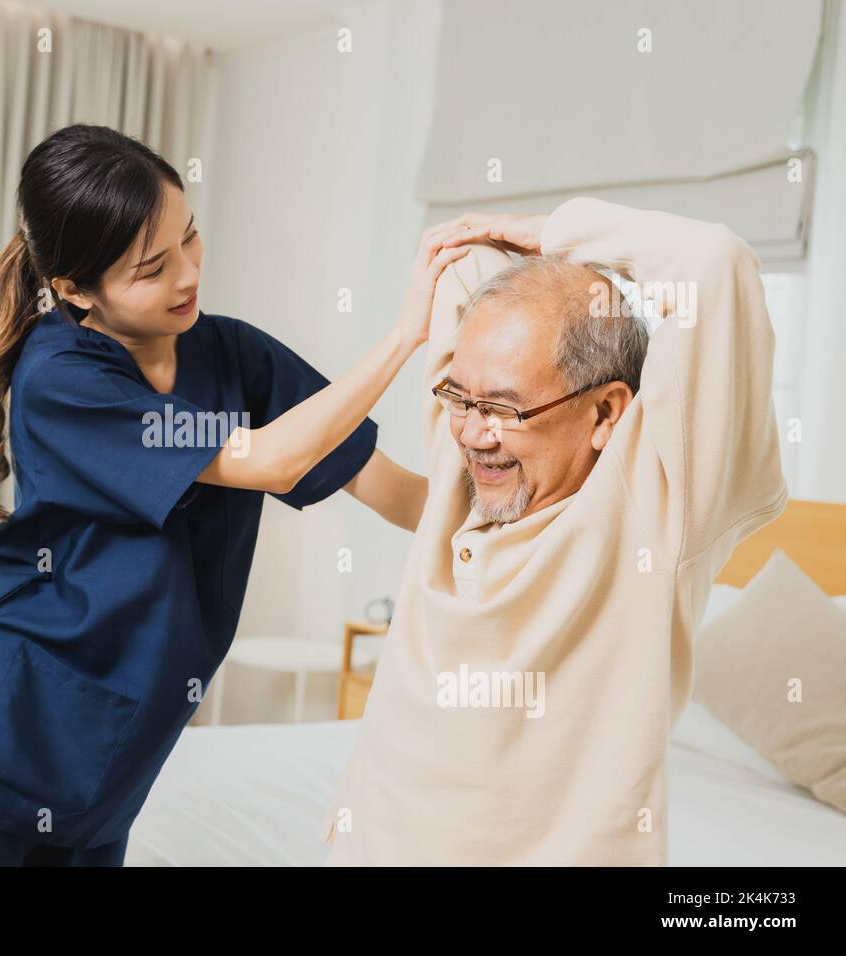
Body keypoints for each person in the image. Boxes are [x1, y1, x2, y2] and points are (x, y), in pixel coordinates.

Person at [0, 123, 469, 866]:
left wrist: (550, 517)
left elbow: (396, 492)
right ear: (74, 291)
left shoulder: (234, 355)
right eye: (152, 268)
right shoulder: (62, 379)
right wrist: (407, 333)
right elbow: (276, 458)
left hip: (110, 765)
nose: (188, 275)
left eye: (190, 238)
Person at [322, 201, 788, 865]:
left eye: (505, 409)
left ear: (606, 413)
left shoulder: (658, 507)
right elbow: (461, 261)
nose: (472, 434)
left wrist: (556, 230)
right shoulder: (465, 452)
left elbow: (714, 265)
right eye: (460, 397)